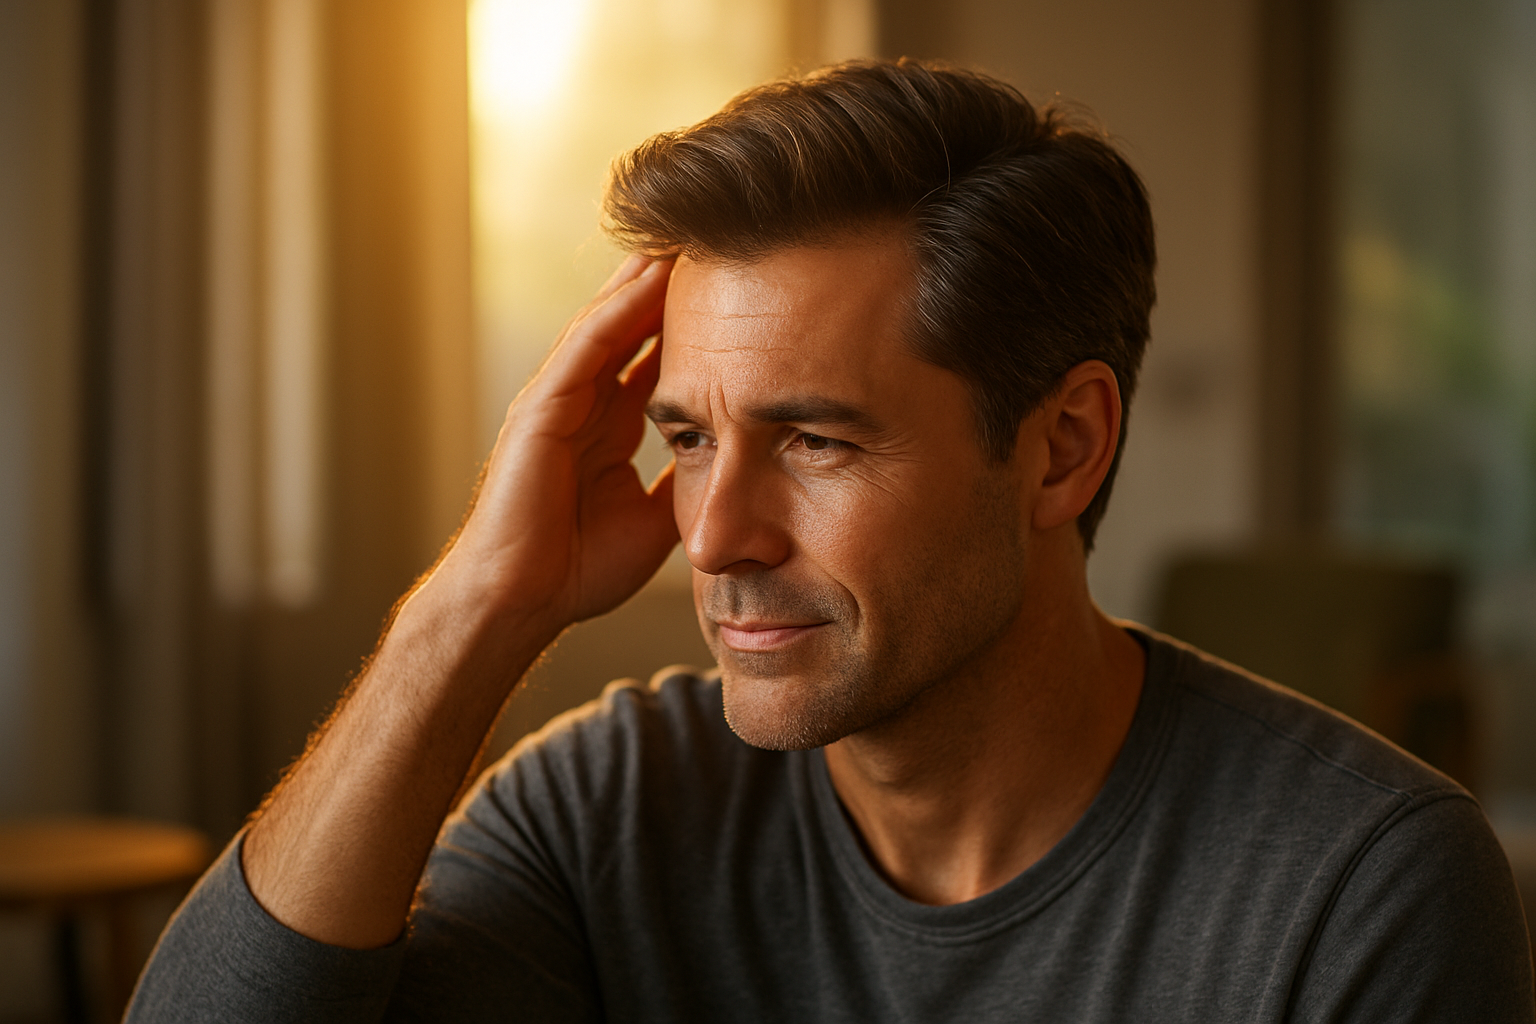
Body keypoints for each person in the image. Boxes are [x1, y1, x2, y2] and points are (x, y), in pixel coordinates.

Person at [129, 59, 1532, 1021]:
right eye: (688, 438)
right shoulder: (611, 809)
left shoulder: (1358, 885)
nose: (715, 537)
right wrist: (472, 610)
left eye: (815, 441)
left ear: (1062, 447)